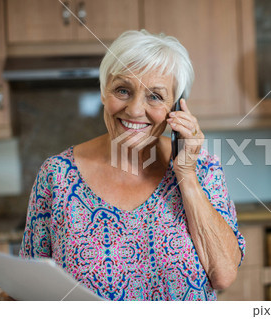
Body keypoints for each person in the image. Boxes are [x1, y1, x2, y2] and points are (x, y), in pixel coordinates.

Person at [13, 30, 245, 301]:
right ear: (103, 92)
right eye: (123, 90)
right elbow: (31, 288)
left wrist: (186, 176)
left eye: (155, 96)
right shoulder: (57, 176)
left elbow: (224, 275)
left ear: (177, 108)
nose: (135, 110)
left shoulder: (202, 169)